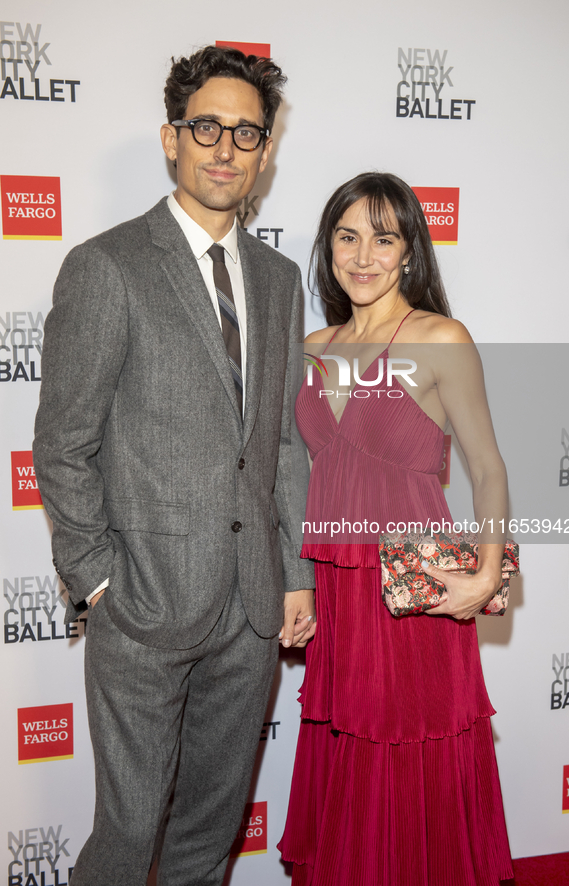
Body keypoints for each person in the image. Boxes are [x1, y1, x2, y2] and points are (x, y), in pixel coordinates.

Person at [33, 45, 315, 886]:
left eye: (245, 132)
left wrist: (296, 571)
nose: (224, 147)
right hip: (143, 605)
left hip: (253, 606)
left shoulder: (277, 278)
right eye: (206, 127)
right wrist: (96, 581)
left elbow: (286, 442)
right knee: (126, 839)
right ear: (171, 138)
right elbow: (62, 442)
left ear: (265, 152)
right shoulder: (107, 265)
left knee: (209, 836)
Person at [278, 172, 513, 885]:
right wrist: (296, 585)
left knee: (410, 756)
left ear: (408, 250)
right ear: (328, 249)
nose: (362, 256)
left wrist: (487, 571)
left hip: (412, 588)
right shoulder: (312, 345)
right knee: (350, 757)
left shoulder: (440, 338)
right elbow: (292, 475)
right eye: (346, 236)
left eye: (383, 238)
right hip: (339, 592)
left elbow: (487, 467)